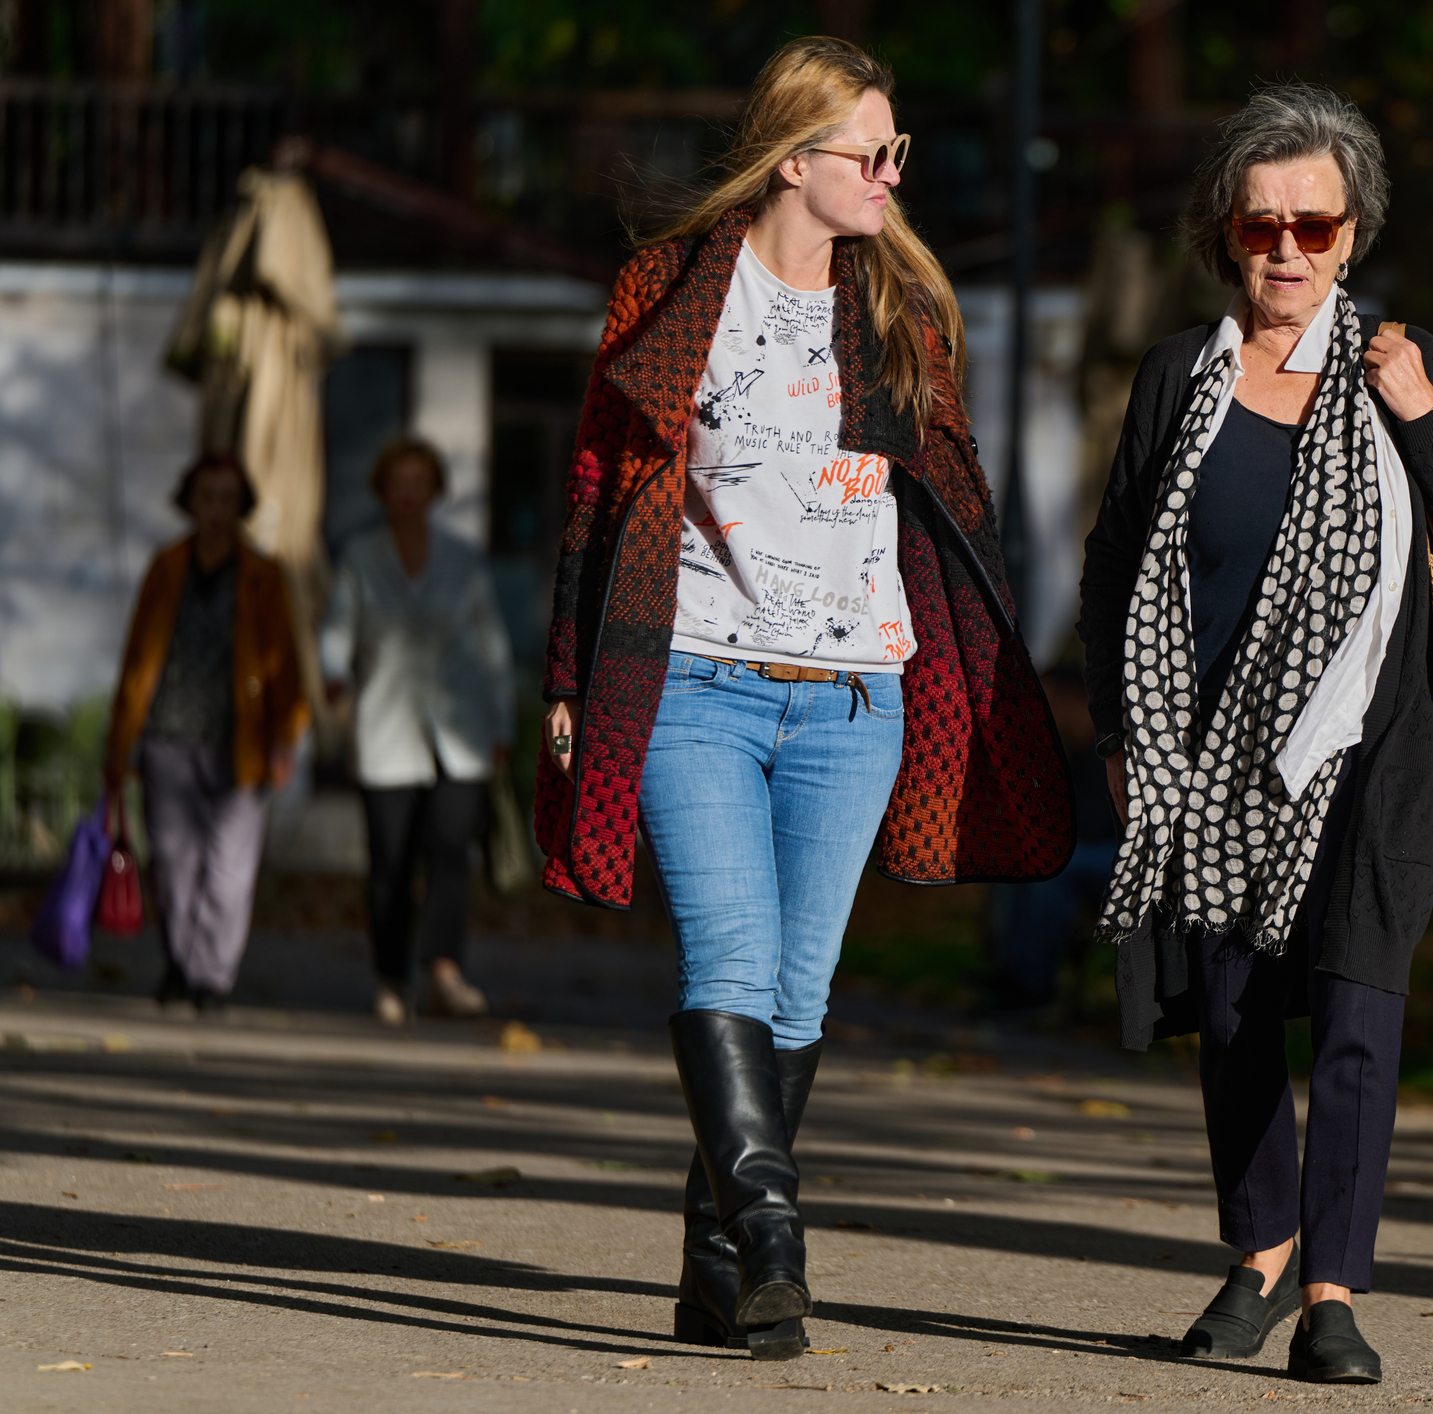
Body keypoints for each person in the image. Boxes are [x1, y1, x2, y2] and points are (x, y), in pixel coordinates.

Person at [533, 36, 1072, 1364]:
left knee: (796, 995)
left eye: (897, 152)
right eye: (869, 152)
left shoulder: (897, 313)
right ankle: (774, 1233)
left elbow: (948, 507)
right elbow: (599, 484)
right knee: (727, 962)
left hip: (855, 703)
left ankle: (713, 1269)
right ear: (791, 159)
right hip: (696, 680)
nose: (891, 174)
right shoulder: (671, 293)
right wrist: (569, 675)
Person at [1077, 84, 1433, 1384]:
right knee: (1231, 1015)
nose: (1285, 249)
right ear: (1225, 231)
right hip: (1206, 757)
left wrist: (1425, 413)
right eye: (1260, 224)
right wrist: (1120, 728)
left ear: (1352, 232)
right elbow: (1113, 564)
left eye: (1312, 225)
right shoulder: (1181, 375)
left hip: (1373, 756)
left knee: (1355, 1017)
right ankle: (1262, 1247)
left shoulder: (1400, 364)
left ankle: (1333, 1288)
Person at [320, 437, 514, 1027]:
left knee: (451, 851)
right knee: (390, 862)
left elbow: (492, 645)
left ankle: (444, 972)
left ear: (434, 491)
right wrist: (333, 671)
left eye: (418, 482)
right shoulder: (360, 556)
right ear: (382, 491)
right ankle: (391, 977)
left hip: (461, 733)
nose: (407, 493)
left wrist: (502, 724)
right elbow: (337, 627)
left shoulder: (463, 559)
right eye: (397, 482)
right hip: (386, 729)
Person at [105, 453, 309, 1014]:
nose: (216, 510)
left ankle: (211, 976)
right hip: (167, 733)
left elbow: (285, 665)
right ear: (190, 503)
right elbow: (137, 657)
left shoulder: (263, 575)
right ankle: (180, 961)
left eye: (227, 499)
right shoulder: (166, 567)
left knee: (229, 868)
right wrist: (120, 738)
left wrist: (285, 737)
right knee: (173, 862)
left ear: (240, 506)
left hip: (239, 741)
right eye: (206, 497)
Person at [982, 667, 1118, 1012]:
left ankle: (1032, 985)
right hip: (1090, 851)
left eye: (1047, 701)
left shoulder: (1113, 749)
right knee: (1015, 862)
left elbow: (1092, 827)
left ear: (1076, 701)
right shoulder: (1074, 751)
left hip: (1123, 856)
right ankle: (1009, 973)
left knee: (1054, 869)